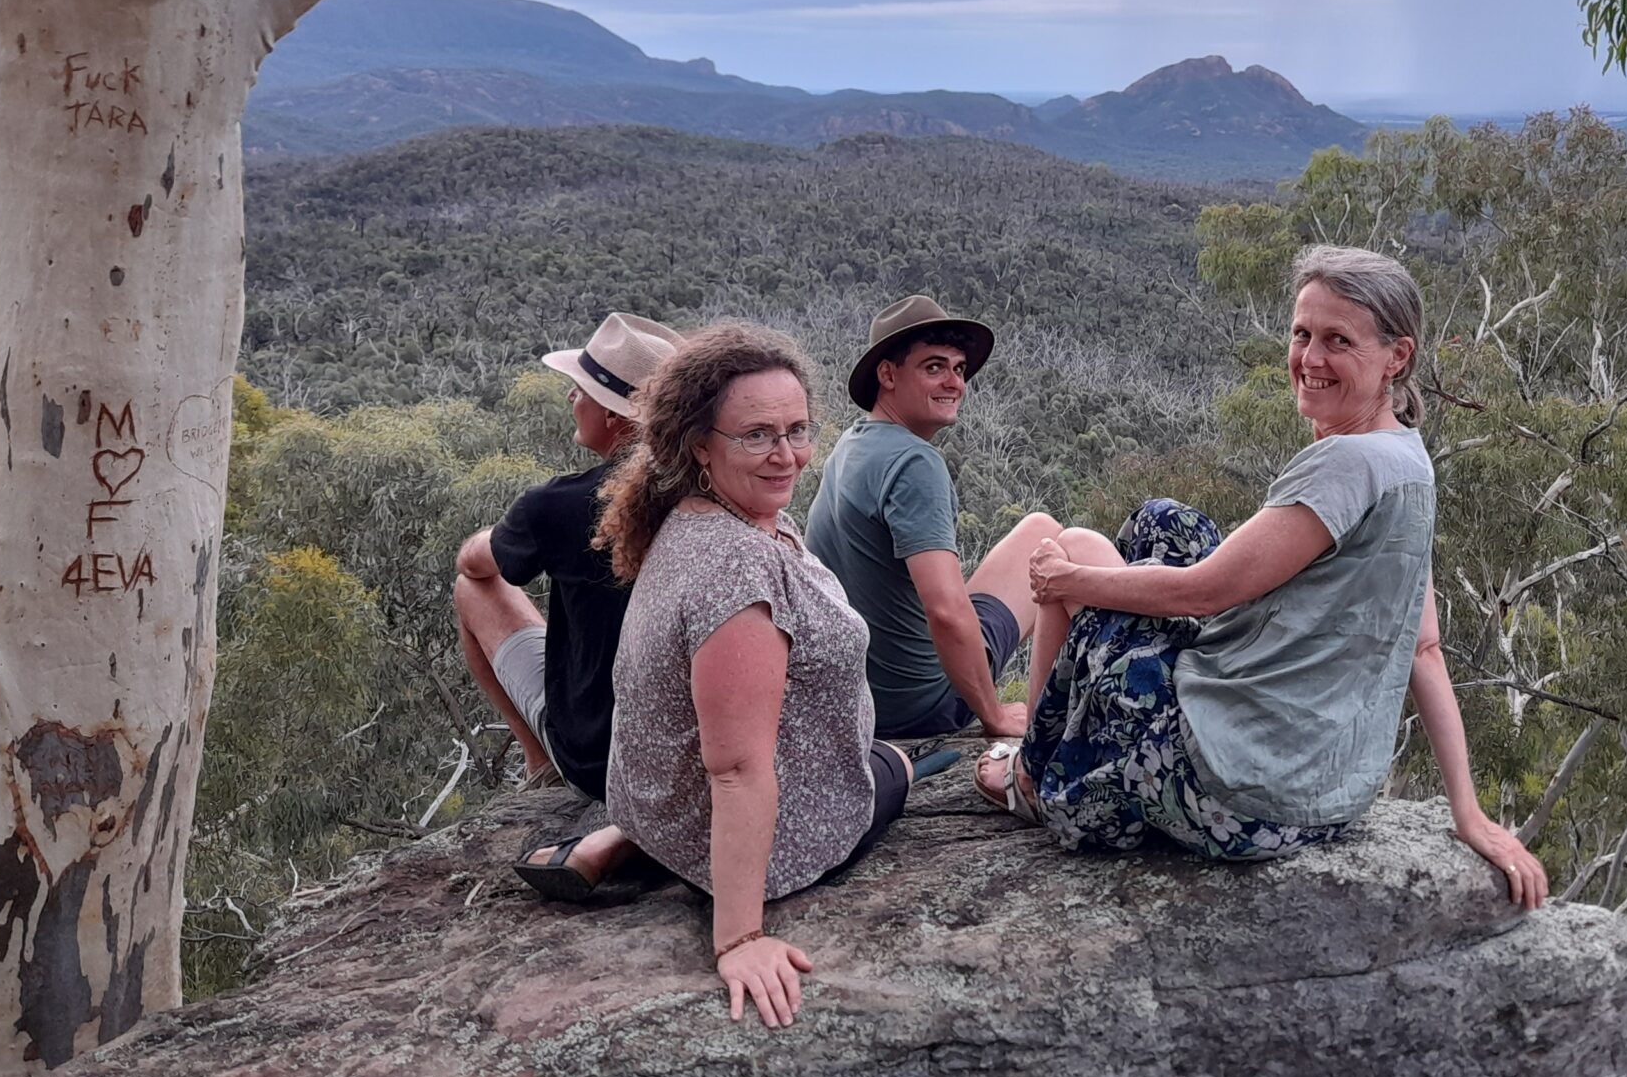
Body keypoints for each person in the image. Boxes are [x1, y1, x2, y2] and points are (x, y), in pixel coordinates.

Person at [977, 245, 1548, 908]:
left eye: (1339, 340)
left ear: (1398, 357)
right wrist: (1466, 813)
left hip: (1229, 789)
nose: (1310, 358)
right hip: (1323, 793)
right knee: (1163, 525)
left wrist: (1064, 581)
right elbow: (1424, 645)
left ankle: (1035, 778)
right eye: (1303, 334)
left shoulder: (1347, 465)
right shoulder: (1406, 461)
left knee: (1079, 563)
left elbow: (1206, 592)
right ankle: (1039, 756)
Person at [518, 323, 912, 1030]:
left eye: (797, 429)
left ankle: (630, 838)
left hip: (666, 810)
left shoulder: (706, 517)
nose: (786, 453)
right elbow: (735, 769)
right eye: (756, 435)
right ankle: (678, 862)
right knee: (897, 764)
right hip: (759, 829)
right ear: (700, 444)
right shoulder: (735, 570)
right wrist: (740, 938)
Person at [806, 295, 1062, 739]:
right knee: (1055, 544)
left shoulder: (852, 443)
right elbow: (943, 611)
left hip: (858, 698)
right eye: (934, 367)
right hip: (921, 706)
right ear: (887, 375)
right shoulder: (914, 463)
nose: (954, 383)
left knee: (1036, 527)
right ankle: (1060, 718)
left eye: (959, 369)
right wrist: (994, 716)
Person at [454, 311, 678, 799]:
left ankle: (541, 763)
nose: (571, 397)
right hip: (682, 755)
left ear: (613, 415)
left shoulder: (559, 504)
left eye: (579, 388)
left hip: (600, 760)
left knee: (470, 588)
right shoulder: (704, 494)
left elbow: (473, 564)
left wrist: (501, 533)